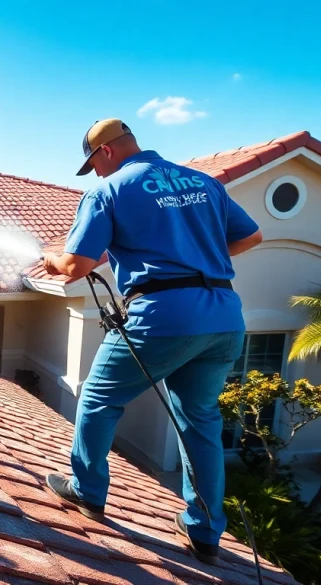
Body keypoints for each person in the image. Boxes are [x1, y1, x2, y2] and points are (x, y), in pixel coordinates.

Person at [40, 119, 263, 565]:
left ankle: (86, 491)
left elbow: (77, 265)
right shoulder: (203, 182)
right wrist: (198, 260)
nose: (97, 175)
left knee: (100, 397)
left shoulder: (109, 190)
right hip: (223, 315)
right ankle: (204, 531)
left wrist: (52, 259)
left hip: (162, 316)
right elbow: (251, 236)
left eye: (94, 166)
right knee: (199, 419)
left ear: (105, 153)